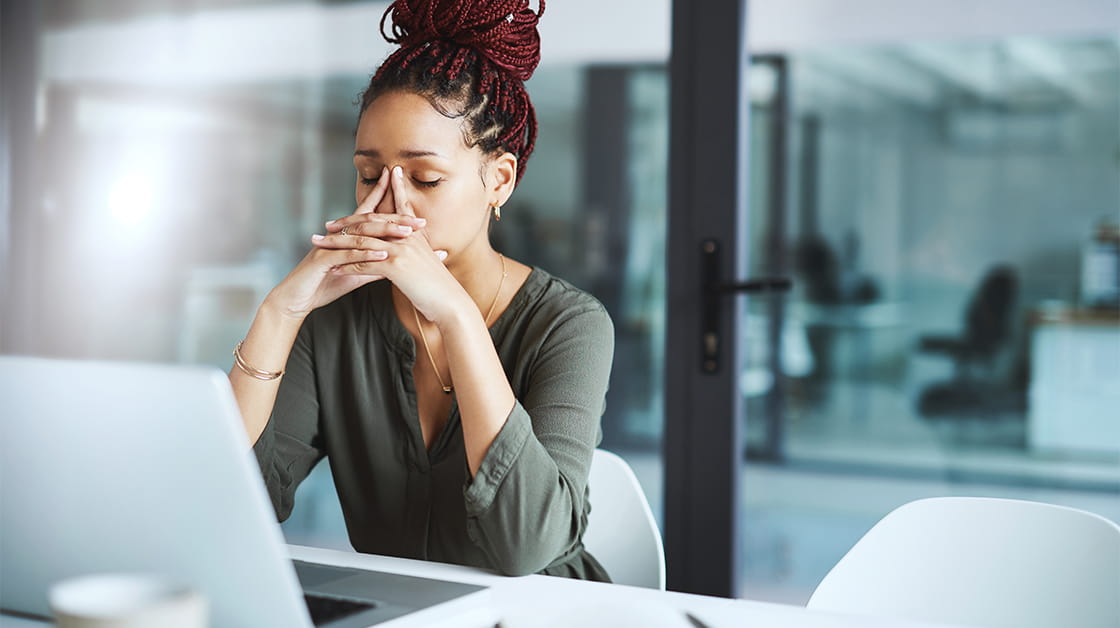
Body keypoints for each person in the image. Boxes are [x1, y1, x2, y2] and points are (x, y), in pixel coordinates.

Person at [228, 0, 614, 581]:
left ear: (499, 179)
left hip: (545, 612)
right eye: (367, 175)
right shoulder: (334, 320)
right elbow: (236, 504)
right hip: (402, 611)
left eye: (426, 178)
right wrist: (281, 312)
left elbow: (524, 549)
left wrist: (456, 315)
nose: (389, 203)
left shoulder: (570, 324)